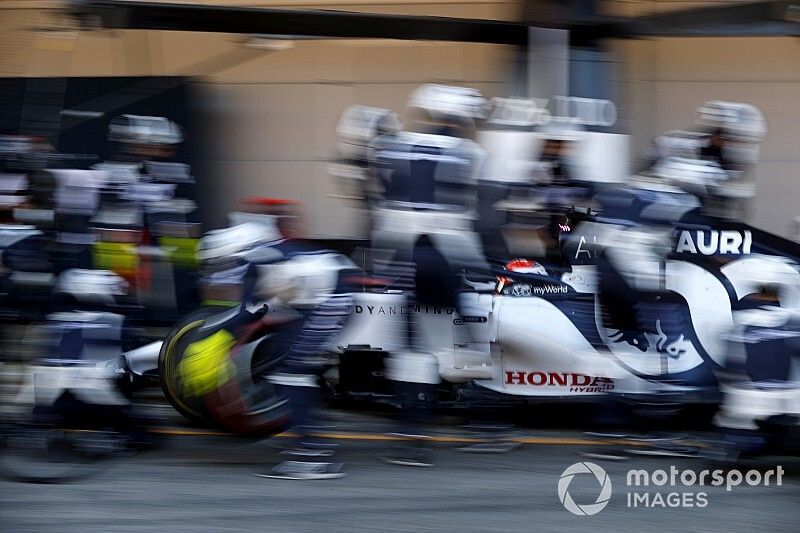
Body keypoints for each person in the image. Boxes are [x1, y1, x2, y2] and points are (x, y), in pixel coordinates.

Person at [368, 85, 491, 466]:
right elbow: (474, 212)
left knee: (412, 350)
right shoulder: (469, 153)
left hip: (406, 254)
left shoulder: (392, 145)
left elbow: (376, 197)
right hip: (446, 256)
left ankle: (413, 434)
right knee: (467, 343)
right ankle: (486, 419)